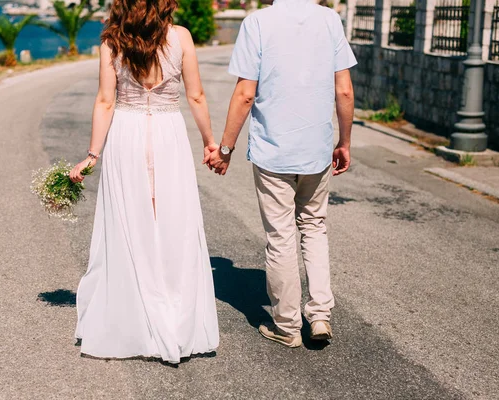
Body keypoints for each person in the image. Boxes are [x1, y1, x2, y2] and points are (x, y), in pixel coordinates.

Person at [69, 0, 220, 363]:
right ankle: (171, 303)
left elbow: (106, 101)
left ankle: (136, 306)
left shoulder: (111, 43)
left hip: (128, 132)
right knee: (171, 217)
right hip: (168, 133)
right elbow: (196, 95)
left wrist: (92, 154)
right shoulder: (181, 37)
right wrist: (210, 142)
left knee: (131, 218)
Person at [206, 0, 357, 347]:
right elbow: (344, 89)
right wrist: (344, 141)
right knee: (314, 228)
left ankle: (287, 326)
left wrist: (225, 149)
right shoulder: (330, 19)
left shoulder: (258, 22)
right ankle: (319, 316)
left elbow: (246, 94)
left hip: (273, 151)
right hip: (316, 151)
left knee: (281, 235)